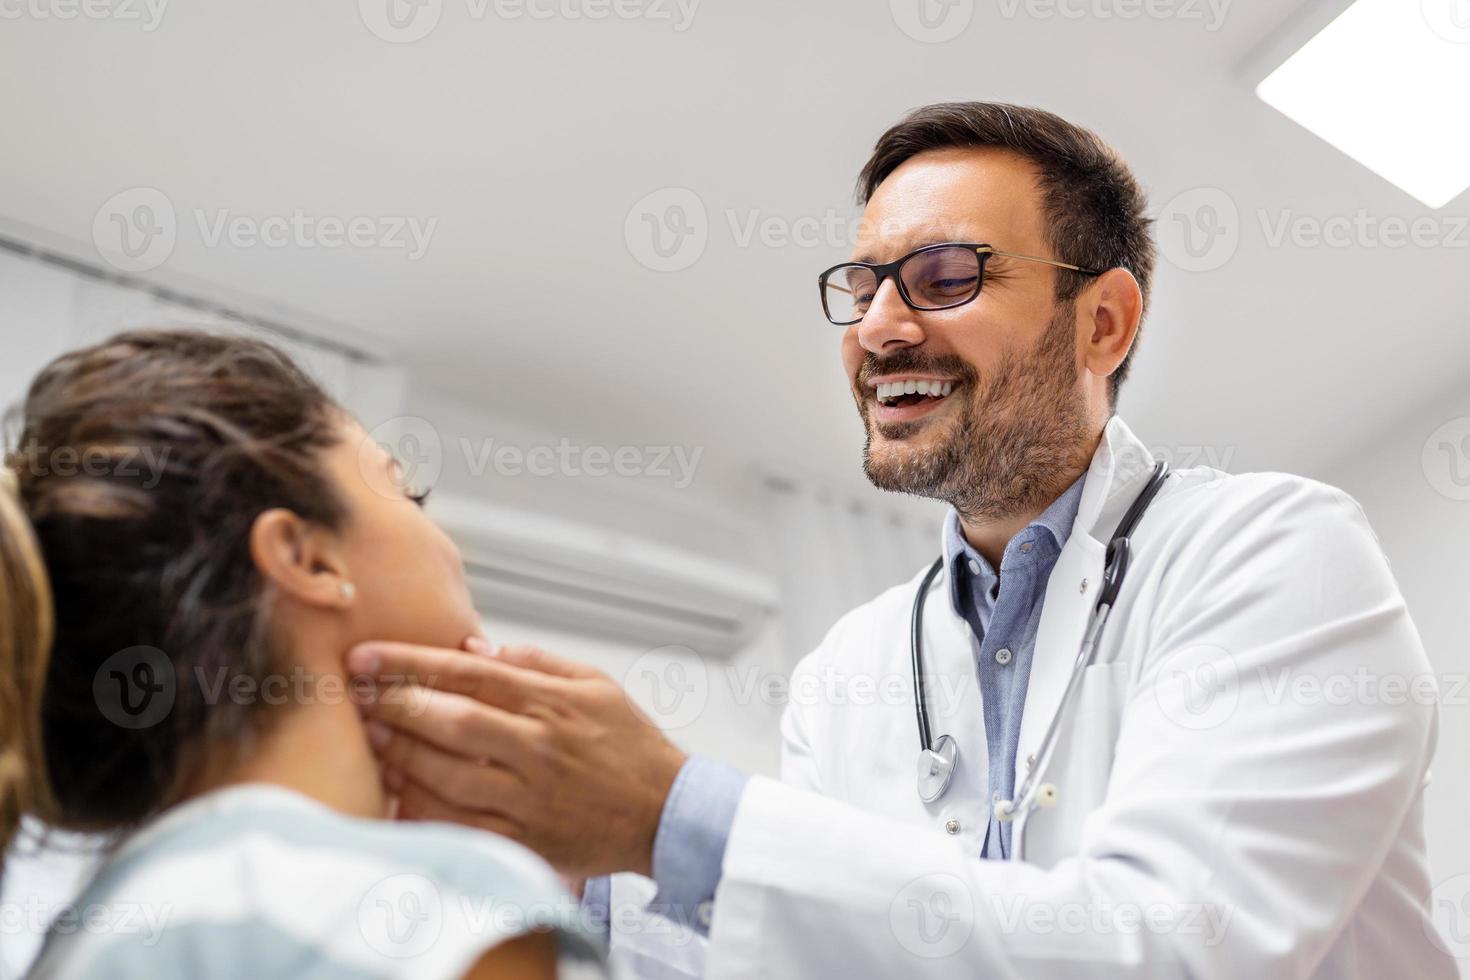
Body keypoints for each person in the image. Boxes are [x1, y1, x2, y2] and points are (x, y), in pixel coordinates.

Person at [349, 102, 1455, 978]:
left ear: (1103, 321)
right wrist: (584, 861)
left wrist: (666, 809)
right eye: (864, 284)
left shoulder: (1270, 550)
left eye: (945, 276)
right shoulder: (855, 666)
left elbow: (1174, 947)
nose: (878, 327)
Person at [0, 330, 606, 979]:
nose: (453, 546)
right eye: (406, 492)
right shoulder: (436, 910)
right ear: (305, 558)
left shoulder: (91, 935)